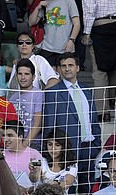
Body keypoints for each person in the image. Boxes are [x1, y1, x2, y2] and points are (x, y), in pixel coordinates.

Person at [43, 55, 100, 184]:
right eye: (63, 66)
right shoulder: (53, 93)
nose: (67, 69)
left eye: (70, 65)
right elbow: (49, 125)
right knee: (68, 190)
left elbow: (94, 119)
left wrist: (97, 143)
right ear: (59, 69)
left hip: (89, 147)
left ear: (78, 68)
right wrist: (52, 152)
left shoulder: (87, 90)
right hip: (66, 151)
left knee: (87, 189)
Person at [7, 60, 44, 150]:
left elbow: (37, 124)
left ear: (33, 77)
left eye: (26, 74)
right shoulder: (12, 97)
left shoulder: (38, 94)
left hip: (33, 144)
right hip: (14, 144)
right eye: (20, 74)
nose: (23, 77)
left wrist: (24, 145)